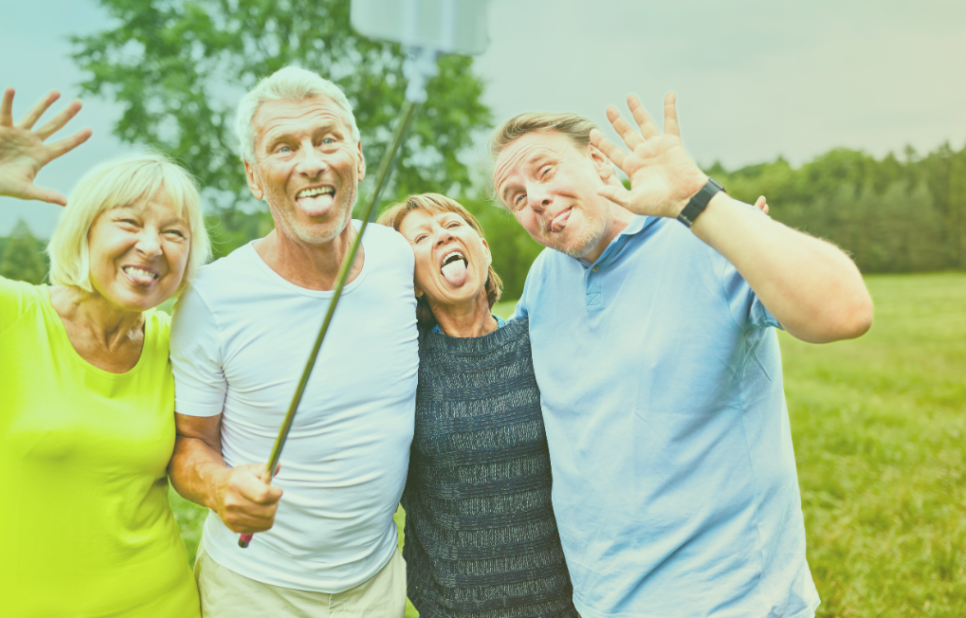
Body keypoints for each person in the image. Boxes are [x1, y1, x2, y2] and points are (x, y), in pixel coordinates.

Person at [490, 95, 874, 618]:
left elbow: (845, 311)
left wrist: (697, 199)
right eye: (515, 197)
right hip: (603, 604)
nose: (533, 197)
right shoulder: (543, 278)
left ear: (600, 163)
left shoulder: (703, 237)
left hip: (732, 602)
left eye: (546, 170)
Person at [0, 89, 209, 617]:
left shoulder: (180, 344)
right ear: (83, 230)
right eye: (129, 223)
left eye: (174, 233)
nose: (152, 246)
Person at [167, 66, 418, 617]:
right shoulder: (212, 297)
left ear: (358, 155)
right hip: (255, 590)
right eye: (284, 147)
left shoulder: (397, 257)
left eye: (327, 139)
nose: (311, 162)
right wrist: (219, 487)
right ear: (255, 177)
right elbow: (189, 444)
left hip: (377, 582)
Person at [378, 194, 578, 618]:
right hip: (451, 607)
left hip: (569, 602)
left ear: (483, 250)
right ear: (410, 282)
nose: (443, 234)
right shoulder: (399, 368)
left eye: (453, 223)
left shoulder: (542, 341)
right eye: (421, 236)